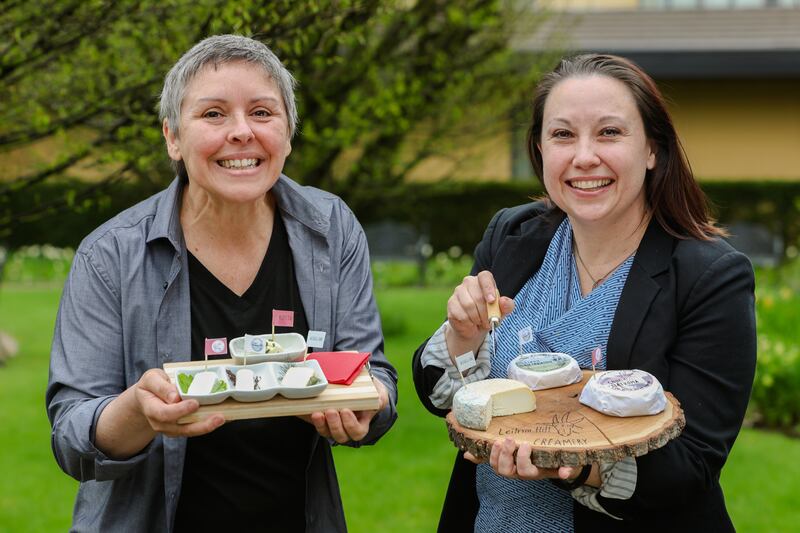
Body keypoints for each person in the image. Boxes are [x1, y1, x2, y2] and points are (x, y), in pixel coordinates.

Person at [46, 34, 398, 532]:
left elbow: (374, 375)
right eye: (213, 114)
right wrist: (139, 412)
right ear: (172, 136)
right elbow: (71, 436)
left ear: (288, 134)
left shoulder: (332, 229)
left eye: (262, 112)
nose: (241, 133)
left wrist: (365, 405)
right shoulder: (110, 255)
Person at [412, 54, 756, 532]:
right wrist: (461, 339)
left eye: (610, 133)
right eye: (563, 134)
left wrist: (570, 464)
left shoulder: (710, 276)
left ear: (653, 149)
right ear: (539, 149)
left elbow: (692, 465)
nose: (584, 156)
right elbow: (445, 399)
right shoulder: (512, 235)